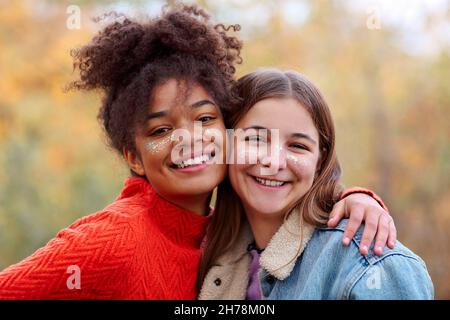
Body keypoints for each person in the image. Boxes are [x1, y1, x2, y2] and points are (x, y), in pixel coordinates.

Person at [0, 5, 393, 299]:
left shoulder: (229, 225)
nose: (188, 140)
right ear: (134, 157)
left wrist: (355, 198)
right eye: (161, 129)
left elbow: (286, 187)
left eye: (204, 119)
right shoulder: (112, 241)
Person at [198, 68, 433, 300]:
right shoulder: (213, 253)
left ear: (320, 161)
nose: (274, 162)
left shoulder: (367, 262)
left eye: (298, 146)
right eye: (256, 139)